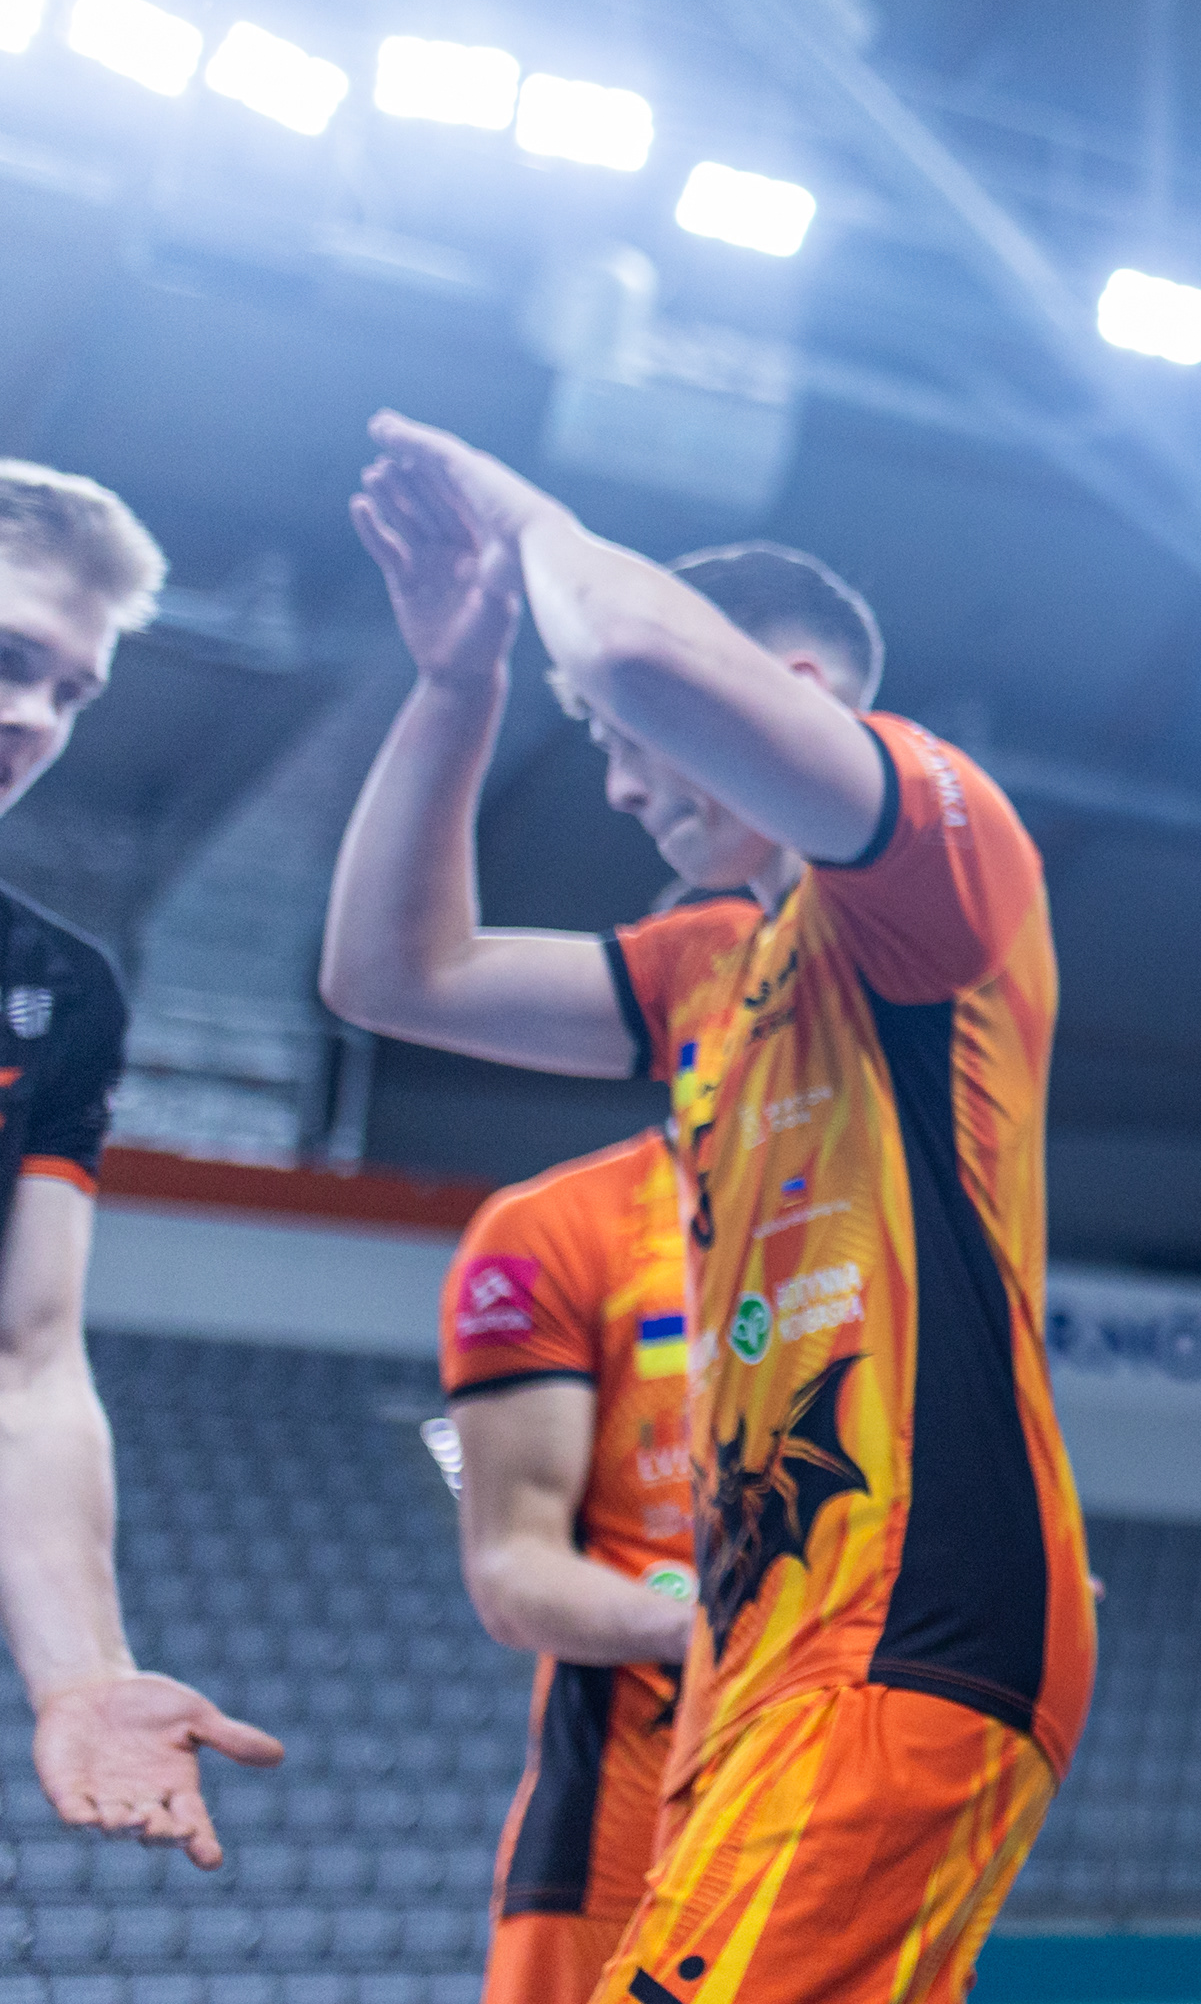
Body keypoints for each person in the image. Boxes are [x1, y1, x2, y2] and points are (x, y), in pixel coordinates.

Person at [319, 443, 1092, 2004]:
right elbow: (390, 976)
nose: (617, 784)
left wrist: (535, 525)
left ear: (786, 691)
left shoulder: (939, 869)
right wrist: (459, 682)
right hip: (752, 1656)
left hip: (906, 1614)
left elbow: (628, 648)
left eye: (623, 747)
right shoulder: (704, 972)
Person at [0, 461, 283, 1869]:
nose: (33, 719)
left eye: (72, 691)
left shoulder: (56, 992)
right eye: (11, 658)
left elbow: (28, 1362)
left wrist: (85, 1672)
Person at [440, 1128, 699, 2004]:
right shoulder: (558, 1227)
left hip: (847, 1812)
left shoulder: (897, 1230)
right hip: (622, 1826)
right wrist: (725, 1636)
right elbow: (512, 1566)